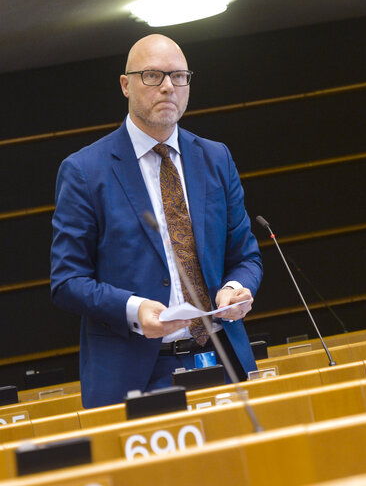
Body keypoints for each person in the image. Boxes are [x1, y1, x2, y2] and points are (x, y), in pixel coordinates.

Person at [50, 34, 262, 408]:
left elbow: (246, 257)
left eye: (179, 76)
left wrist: (236, 288)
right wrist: (132, 309)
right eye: (153, 75)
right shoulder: (85, 171)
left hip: (223, 360)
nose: (168, 87)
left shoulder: (216, 158)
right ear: (125, 84)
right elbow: (67, 281)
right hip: (134, 375)